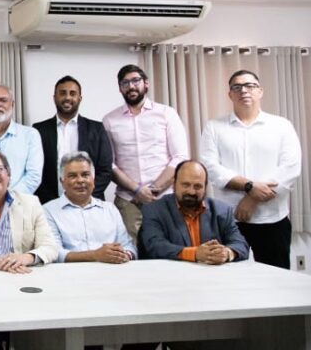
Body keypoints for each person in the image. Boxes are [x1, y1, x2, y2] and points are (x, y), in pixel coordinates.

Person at [200, 70, 302, 270]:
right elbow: (210, 167)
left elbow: (290, 168)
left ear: (260, 91)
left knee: (276, 277)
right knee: (230, 277)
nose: (244, 91)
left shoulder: (281, 125)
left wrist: (252, 197)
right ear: (230, 94)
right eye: (237, 87)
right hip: (230, 219)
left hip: (273, 219)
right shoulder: (214, 127)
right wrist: (249, 186)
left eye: (250, 86)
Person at [103, 64, 189, 242]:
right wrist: (136, 190)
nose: (131, 86)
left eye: (136, 81)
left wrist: (153, 190)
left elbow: (180, 157)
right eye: (125, 83)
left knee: (170, 249)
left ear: (146, 83)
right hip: (128, 201)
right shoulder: (109, 120)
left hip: (165, 198)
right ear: (120, 88)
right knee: (130, 252)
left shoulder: (166, 113)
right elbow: (109, 164)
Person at [138, 160, 249, 264]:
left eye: (197, 186)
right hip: (171, 274)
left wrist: (226, 253)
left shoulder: (222, 210)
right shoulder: (154, 210)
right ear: (174, 184)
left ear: (205, 187)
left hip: (212, 274)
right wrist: (195, 254)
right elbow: (155, 246)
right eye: (185, 185)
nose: (191, 191)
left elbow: (241, 244)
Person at [43, 151, 135, 263]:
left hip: (110, 270)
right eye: (72, 176)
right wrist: (95, 255)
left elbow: (128, 246)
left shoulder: (110, 209)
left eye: (85, 175)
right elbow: (54, 253)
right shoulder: (48, 211)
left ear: (93, 179)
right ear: (62, 181)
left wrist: (125, 255)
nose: (80, 180)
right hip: (70, 272)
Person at [33, 76, 113, 204]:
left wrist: (84, 197)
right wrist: (53, 202)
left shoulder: (97, 129)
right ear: (54, 98)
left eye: (72, 93)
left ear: (79, 99)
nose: (67, 97)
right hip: (49, 205)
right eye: (62, 93)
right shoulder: (39, 130)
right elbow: (35, 170)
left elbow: (105, 171)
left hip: (89, 204)